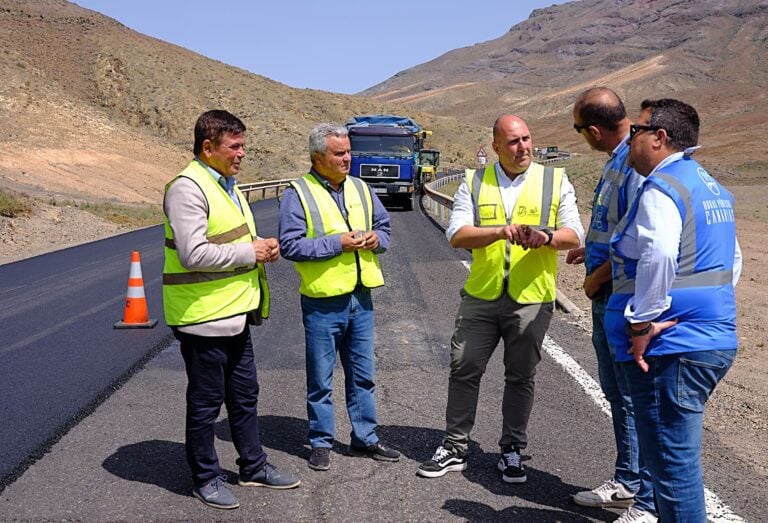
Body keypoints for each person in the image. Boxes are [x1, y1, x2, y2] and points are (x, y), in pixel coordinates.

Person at [417, 114, 583, 483]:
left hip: (531, 298)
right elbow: (457, 234)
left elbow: (575, 234)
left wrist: (547, 238)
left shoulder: (554, 180)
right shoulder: (474, 181)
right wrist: (498, 232)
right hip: (482, 293)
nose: (522, 147)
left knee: (520, 376)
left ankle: (511, 450)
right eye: (512, 141)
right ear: (495, 147)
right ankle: (455, 447)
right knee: (464, 367)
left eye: (526, 139)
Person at [605, 99, 741, 522]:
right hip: (710, 337)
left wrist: (643, 321)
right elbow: (731, 261)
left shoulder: (662, 188)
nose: (629, 141)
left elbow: (659, 254)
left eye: (636, 132)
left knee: (671, 469)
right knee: (675, 464)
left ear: (659, 138)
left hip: (674, 347)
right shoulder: (709, 185)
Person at [163, 110, 300, 510]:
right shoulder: (187, 188)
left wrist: (263, 246)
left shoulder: (228, 186)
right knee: (206, 404)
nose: (242, 153)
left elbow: (234, 237)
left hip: (236, 315)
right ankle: (205, 478)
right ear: (208, 147)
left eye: (243, 145)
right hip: (202, 317)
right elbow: (192, 253)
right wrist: (249, 252)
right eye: (234, 146)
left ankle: (253, 466)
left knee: (244, 396)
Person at [278, 123, 399, 472]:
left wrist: (378, 239)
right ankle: (321, 441)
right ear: (318, 157)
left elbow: (385, 227)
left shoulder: (361, 188)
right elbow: (290, 245)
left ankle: (365, 437)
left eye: (348, 152)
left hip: (360, 299)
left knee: (363, 373)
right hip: (323, 302)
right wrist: (338, 243)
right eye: (339, 153)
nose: (347, 158)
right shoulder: (297, 193)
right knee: (321, 378)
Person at [566, 88, 657, 523]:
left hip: (619, 298)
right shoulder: (617, 161)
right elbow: (614, 226)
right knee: (618, 395)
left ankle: (647, 499)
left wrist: (596, 279)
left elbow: (641, 238)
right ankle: (628, 482)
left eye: (581, 130)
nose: (583, 137)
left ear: (595, 130)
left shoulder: (636, 165)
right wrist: (593, 252)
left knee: (637, 399)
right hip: (607, 292)